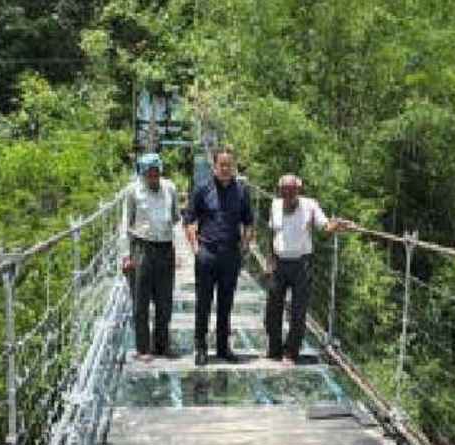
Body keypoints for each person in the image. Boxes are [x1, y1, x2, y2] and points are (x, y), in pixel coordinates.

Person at [265, 175, 352, 363]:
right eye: (284, 190)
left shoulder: (310, 205)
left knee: (298, 310)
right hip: (279, 263)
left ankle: (291, 352)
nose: (288, 193)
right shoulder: (274, 205)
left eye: (291, 189)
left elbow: (325, 226)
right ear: (279, 191)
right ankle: (274, 349)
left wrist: (338, 225)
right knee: (272, 308)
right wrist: (269, 260)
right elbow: (272, 233)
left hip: (301, 264)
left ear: (298, 190)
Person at [185, 146, 253, 366]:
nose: (225, 168)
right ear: (214, 166)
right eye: (222, 164)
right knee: (203, 302)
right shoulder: (202, 189)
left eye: (229, 165)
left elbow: (249, 222)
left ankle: (223, 347)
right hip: (207, 253)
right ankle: (201, 347)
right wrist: (196, 248)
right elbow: (188, 220)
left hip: (230, 254)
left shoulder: (242, 191)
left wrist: (244, 246)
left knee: (226, 302)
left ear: (233, 167)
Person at [123, 153, 180, 360]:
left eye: (156, 172)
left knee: (165, 300)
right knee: (141, 301)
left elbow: (175, 219)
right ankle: (143, 349)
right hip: (141, 248)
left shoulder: (170, 188)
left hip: (165, 248)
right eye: (149, 173)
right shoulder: (133, 192)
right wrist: (126, 256)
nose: (153, 176)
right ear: (143, 173)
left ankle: (162, 345)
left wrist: (175, 249)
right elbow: (125, 225)